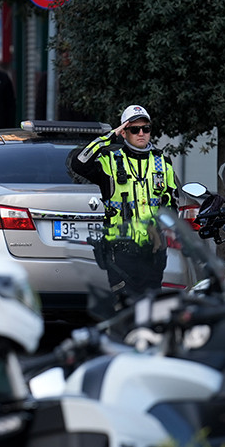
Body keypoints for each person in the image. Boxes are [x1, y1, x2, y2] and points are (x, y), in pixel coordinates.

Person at [70, 105, 178, 304]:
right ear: (125, 132)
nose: (141, 133)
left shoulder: (162, 162)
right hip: (120, 251)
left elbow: (172, 205)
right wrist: (109, 137)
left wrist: (162, 231)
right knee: (126, 307)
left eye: (146, 128)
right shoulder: (109, 161)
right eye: (134, 129)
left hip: (153, 251)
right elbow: (78, 162)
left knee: (152, 309)